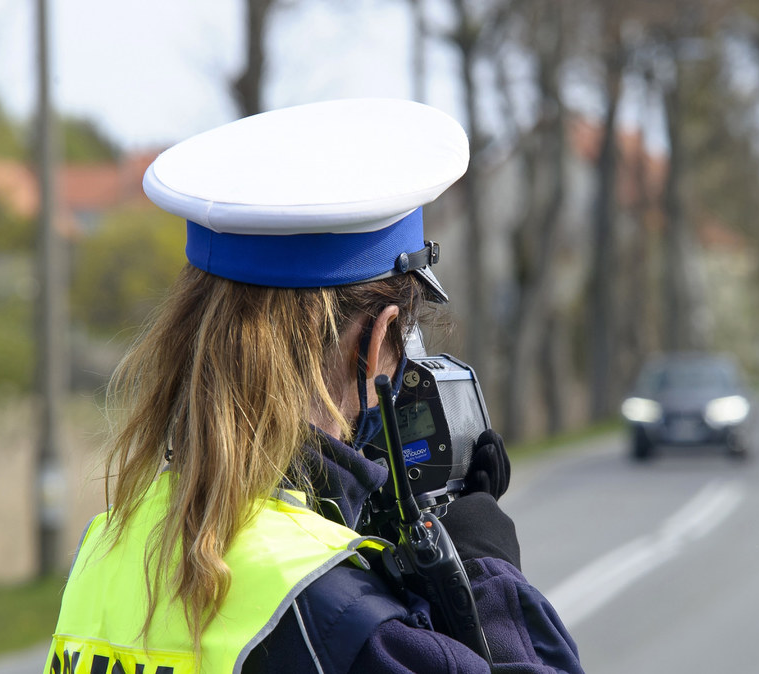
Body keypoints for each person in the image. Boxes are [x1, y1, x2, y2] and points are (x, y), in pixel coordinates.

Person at [44, 99, 583, 673]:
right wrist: (486, 576)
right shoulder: (341, 621)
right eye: (406, 344)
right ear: (376, 341)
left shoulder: (101, 554)